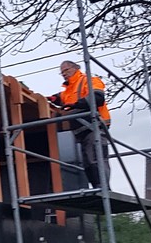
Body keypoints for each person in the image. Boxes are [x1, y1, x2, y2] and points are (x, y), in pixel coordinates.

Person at [47, 61, 111, 189]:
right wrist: (52, 99)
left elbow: (97, 98)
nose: (64, 74)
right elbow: (62, 98)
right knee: (87, 163)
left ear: (76, 68)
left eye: (66, 70)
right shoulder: (69, 89)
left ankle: (103, 189)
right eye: (62, 72)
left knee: (96, 158)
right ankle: (97, 188)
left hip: (94, 126)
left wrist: (76, 105)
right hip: (81, 130)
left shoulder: (89, 80)